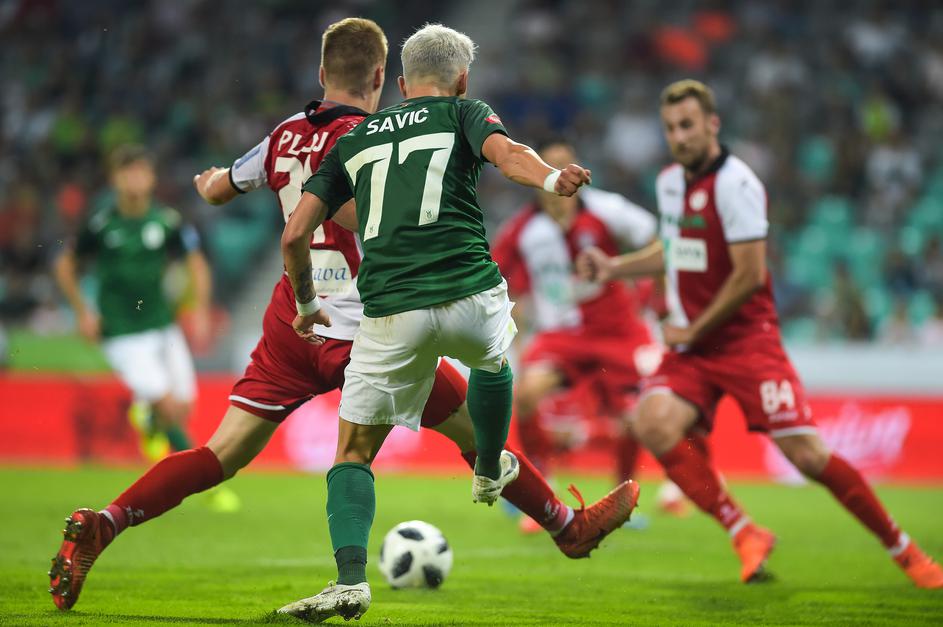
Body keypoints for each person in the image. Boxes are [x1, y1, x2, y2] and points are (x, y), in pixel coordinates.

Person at [47, 18, 637, 615]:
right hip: (365, 325)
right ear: (382, 78)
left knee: (220, 454)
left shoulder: (283, 135)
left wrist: (208, 184)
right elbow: (380, 214)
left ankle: (108, 521)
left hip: (292, 322)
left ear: (321, 73)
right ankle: (566, 527)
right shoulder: (376, 134)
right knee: (473, 434)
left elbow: (221, 189)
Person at [276, 23, 631, 623]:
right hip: (468, 292)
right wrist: (552, 178)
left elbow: (293, 235)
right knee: (493, 357)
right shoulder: (465, 113)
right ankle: (490, 468)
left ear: (400, 83)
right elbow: (509, 157)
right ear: (462, 80)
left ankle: (349, 581)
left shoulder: (355, 139)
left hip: (390, 311)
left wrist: (308, 306)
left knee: (353, 452)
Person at [577, 79, 943, 588]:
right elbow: (674, 248)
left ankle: (905, 551)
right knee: (652, 422)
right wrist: (614, 268)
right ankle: (744, 531)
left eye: (688, 125)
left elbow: (749, 275)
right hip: (694, 348)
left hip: (747, 341)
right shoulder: (669, 182)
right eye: (671, 128)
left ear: (712, 124)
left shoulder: (737, 184)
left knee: (807, 456)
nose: (679, 136)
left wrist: (693, 326)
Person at [492, 138, 670, 530]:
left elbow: (657, 242)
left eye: (565, 165)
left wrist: (655, 298)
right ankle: (542, 493)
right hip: (561, 337)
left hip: (617, 331)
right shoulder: (521, 229)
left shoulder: (608, 210)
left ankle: (622, 498)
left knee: (636, 418)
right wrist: (510, 328)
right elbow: (495, 277)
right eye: (549, 166)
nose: (559, 175)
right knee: (527, 394)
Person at [52, 145, 219, 464]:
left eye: (140, 171)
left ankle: (147, 418)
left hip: (162, 323)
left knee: (184, 408)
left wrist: (199, 309)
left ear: (152, 178)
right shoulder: (101, 223)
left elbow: (197, 263)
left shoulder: (167, 221)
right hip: (120, 331)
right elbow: (65, 265)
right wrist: (83, 312)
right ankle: (201, 474)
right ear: (114, 179)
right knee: (168, 406)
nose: (134, 179)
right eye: (127, 172)